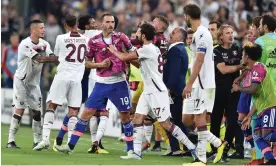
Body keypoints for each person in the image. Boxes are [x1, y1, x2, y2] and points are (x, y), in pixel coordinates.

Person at [108, 23, 197, 160]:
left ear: (143, 36)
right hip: (148, 91)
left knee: (166, 124)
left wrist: (113, 50)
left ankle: (191, 147)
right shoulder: (151, 49)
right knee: (138, 118)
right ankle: (136, 152)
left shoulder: (148, 49)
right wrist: (126, 54)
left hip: (156, 91)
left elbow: (125, 58)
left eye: (138, 32)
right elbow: (139, 63)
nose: (136, 35)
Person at [54, 13, 135, 157]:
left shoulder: (121, 37)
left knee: (125, 117)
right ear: (101, 24)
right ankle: (70, 146)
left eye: (112, 22)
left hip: (119, 83)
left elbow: (133, 53)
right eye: (107, 22)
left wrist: (123, 56)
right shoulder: (93, 41)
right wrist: (100, 64)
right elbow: (86, 62)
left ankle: (131, 150)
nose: (111, 24)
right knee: (86, 114)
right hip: (101, 83)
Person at [33, 14, 88, 151]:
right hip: (77, 79)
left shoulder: (60, 38)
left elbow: (58, 56)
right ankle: (69, 145)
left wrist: (44, 59)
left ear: (65, 25)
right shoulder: (85, 39)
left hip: (62, 76)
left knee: (51, 105)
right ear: (76, 24)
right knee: (73, 110)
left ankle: (45, 139)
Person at [182, 4, 226, 165]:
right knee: (186, 119)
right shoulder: (198, 33)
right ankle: (217, 142)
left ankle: (201, 159)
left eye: (184, 16)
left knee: (200, 119)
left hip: (203, 83)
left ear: (187, 16)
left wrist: (189, 83)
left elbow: (199, 60)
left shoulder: (202, 34)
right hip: (197, 84)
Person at [6, 20, 58, 149]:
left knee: (36, 111)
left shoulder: (45, 44)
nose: (44, 30)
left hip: (34, 83)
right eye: (41, 28)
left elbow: (52, 57)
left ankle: (36, 140)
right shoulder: (24, 44)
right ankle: (10, 140)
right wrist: (58, 58)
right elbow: (39, 58)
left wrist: (59, 59)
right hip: (21, 81)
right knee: (20, 109)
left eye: (44, 27)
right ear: (33, 30)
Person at [232, 43, 276, 165]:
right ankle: (271, 160)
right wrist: (249, 115)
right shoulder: (251, 71)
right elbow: (256, 97)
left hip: (270, 106)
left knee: (266, 136)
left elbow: (253, 90)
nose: (241, 57)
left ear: (247, 57)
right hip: (262, 108)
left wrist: (238, 88)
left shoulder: (259, 68)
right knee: (257, 134)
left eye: (242, 54)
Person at [211, 24, 245, 163]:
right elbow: (223, 69)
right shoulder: (216, 51)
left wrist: (239, 78)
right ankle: (215, 150)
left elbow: (247, 66)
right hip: (218, 91)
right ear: (221, 36)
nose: (231, 35)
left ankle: (225, 150)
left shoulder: (238, 49)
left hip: (233, 92)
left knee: (232, 122)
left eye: (231, 32)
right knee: (215, 121)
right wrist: (239, 67)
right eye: (227, 33)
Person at [78, 14, 109, 154]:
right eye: (92, 22)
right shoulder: (95, 34)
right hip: (100, 77)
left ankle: (95, 143)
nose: (95, 24)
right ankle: (96, 143)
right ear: (87, 26)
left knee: (92, 110)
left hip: (92, 75)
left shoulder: (83, 36)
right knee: (100, 111)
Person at [163, 27, 189, 156]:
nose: (170, 34)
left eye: (174, 32)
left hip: (173, 90)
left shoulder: (175, 49)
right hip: (178, 89)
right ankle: (176, 147)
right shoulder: (181, 49)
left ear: (180, 37)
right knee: (172, 119)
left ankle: (187, 146)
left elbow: (174, 72)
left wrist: (169, 88)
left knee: (174, 120)